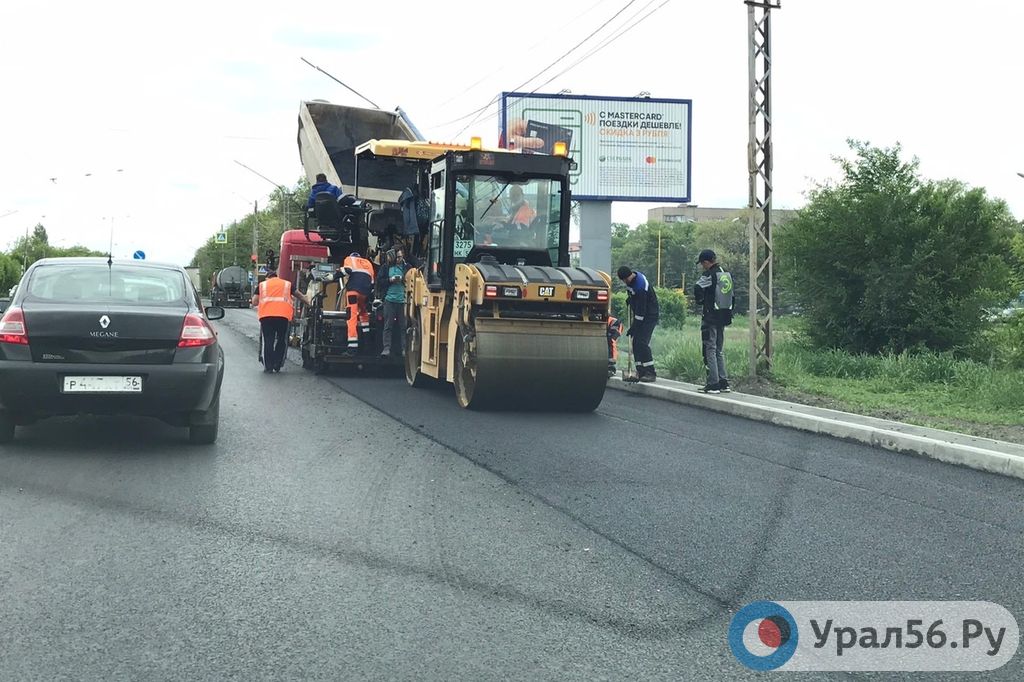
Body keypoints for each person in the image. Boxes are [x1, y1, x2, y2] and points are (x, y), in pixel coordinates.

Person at [251, 270, 310, 373]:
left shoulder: (262, 285)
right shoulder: (287, 284)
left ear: (267, 277)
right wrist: (309, 303)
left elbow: (255, 301)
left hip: (266, 316)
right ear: (276, 276)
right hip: (283, 316)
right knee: (282, 340)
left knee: (268, 340)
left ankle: (268, 367)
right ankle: (277, 364)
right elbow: (300, 296)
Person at [693, 249, 735, 394]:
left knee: (709, 349)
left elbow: (697, 287)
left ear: (706, 262)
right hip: (724, 315)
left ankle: (713, 383)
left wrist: (701, 300)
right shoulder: (726, 274)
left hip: (711, 316)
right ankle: (723, 382)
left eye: (702, 264)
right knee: (718, 349)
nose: (702, 266)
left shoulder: (709, 274)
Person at [616, 265, 659, 382]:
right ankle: (640, 371)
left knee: (642, 342)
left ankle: (650, 372)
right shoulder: (632, 280)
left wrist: (634, 327)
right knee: (635, 343)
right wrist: (631, 299)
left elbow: (641, 311)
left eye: (625, 280)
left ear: (627, 277)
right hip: (641, 315)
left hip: (649, 316)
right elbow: (633, 295)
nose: (625, 282)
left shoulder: (640, 286)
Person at [328, 252, 375, 354]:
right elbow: (372, 283)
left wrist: (332, 276)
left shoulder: (350, 259)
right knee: (363, 314)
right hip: (365, 293)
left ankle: (352, 348)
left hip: (353, 292)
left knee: (352, 317)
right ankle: (368, 343)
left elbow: (347, 270)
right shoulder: (367, 263)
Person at [379, 248, 410, 357]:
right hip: (389, 300)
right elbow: (380, 282)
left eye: (400, 257)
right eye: (396, 257)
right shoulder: (386, 268)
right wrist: (390, 280)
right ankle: (386, 348)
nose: (398, 259)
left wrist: (403, 279)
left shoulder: (407, 268)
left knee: (404, 326)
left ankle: (404, 349)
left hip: (403, 301)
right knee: (388, 325)